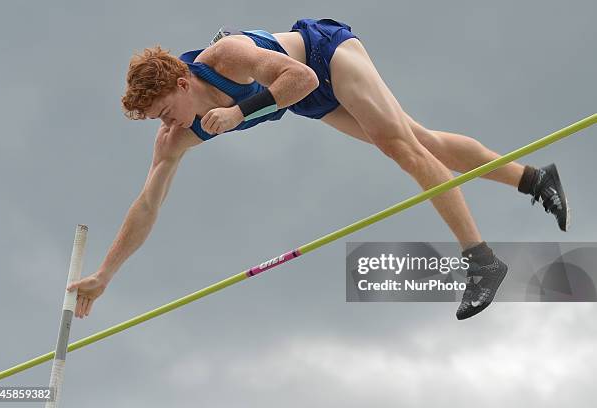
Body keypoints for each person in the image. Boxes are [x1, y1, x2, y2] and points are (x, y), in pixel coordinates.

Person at [66, 18, 568, 320]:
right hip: (305, 101)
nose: (166, 125)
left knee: (399, 146)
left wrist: (238, 111)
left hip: (326, 56)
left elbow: (300, 76)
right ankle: (534, 179)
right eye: (156, 121)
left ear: (180, 82)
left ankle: (481, 261)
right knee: (423, 140)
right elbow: (148, 203)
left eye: (163, 112)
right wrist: (105, 275)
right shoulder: (177, 136)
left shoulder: (227, 56)